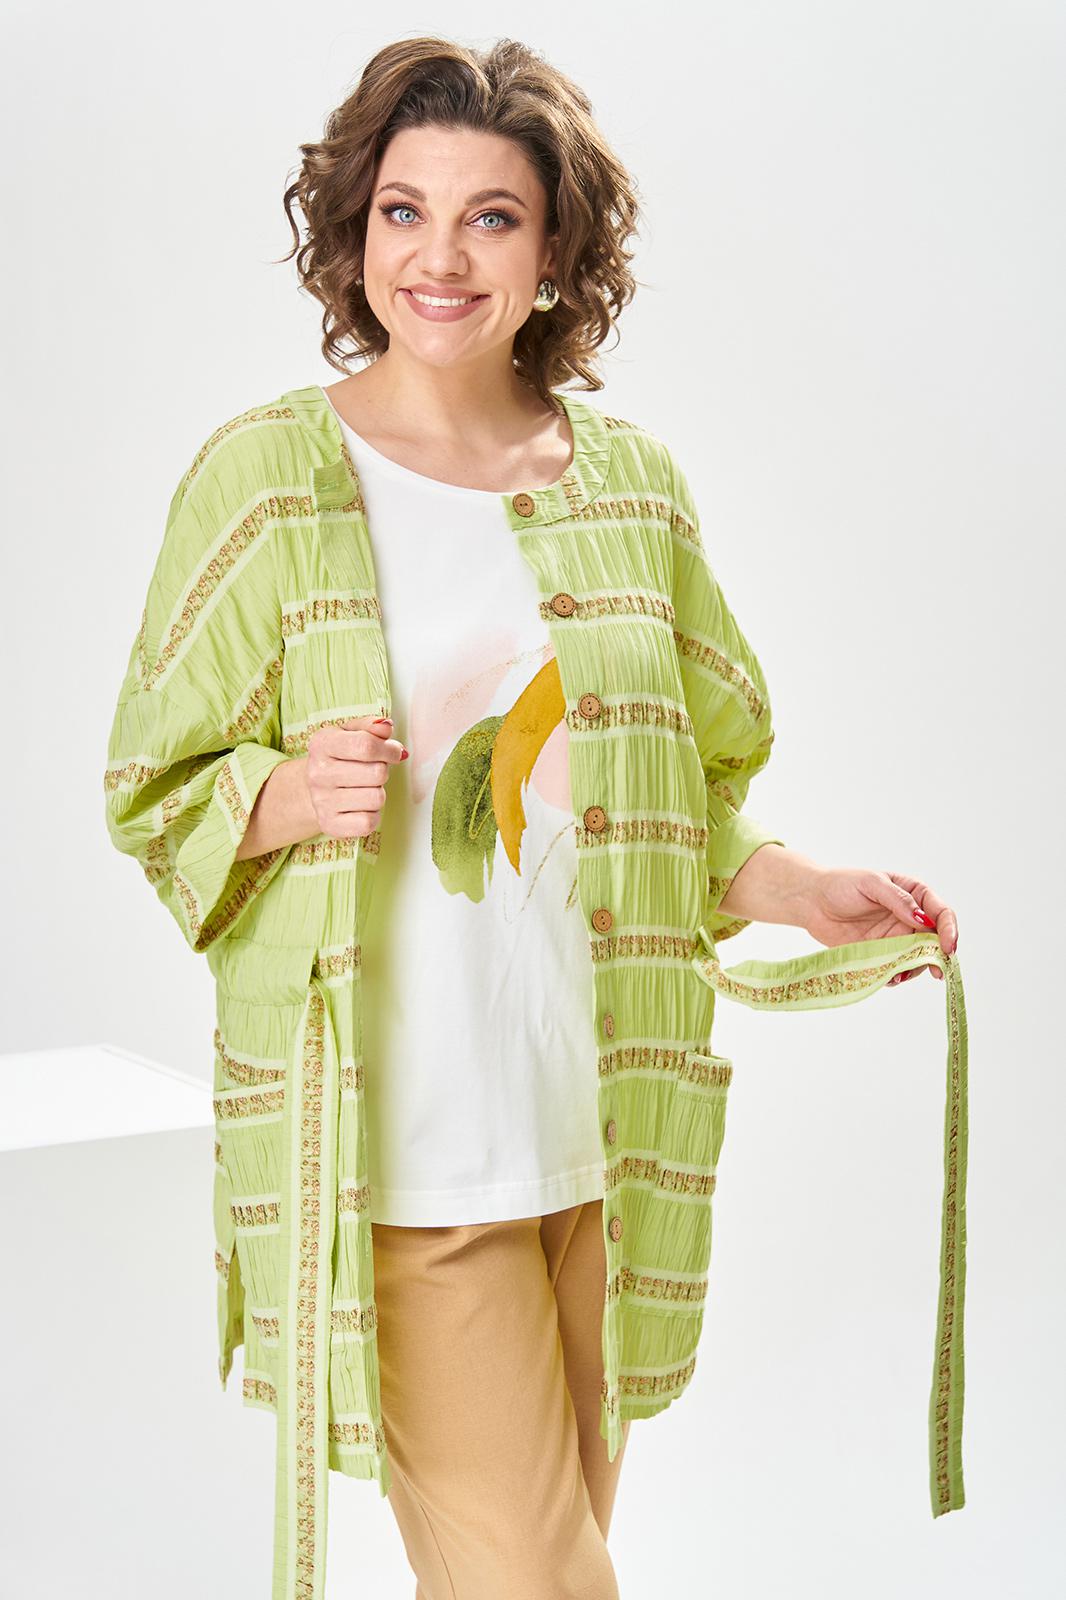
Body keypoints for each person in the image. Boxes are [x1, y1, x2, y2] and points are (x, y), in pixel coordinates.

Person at [103, 34, 966, 1600]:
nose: (438, 258)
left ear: (555, 250)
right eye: (403, 212)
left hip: (595, 1141)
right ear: (353, 232)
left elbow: (662, 795)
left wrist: (798, 889)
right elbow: (148, 784)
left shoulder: (629, 489)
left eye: (489, 217)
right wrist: (281, 792)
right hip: (405, 1162)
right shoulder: (264, 480)